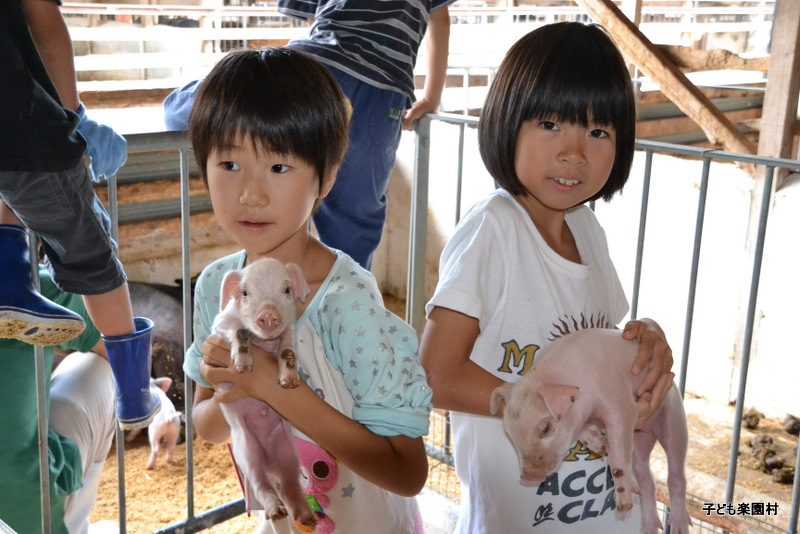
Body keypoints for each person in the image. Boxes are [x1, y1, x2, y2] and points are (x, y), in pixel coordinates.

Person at [418, 22, 676, 533]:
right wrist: (553, 412)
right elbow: (435, 376)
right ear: (506, 123)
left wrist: (647, 338)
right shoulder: (494, 229)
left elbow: (605, 345)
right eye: (551, 124)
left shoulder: (587, 229)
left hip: (603, 515)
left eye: (598, 132)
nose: (574, 152)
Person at [184, 48, 432, 533]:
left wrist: (268, 381)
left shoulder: (347, 302)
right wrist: (234, 388)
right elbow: (207, 425)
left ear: (327, 177)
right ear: (203, 167)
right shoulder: (219, 284)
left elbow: (407, 471)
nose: (250, 194)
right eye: (230, 163)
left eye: (278, 168)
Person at [163, 0, 456, 269]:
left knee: (205, 103)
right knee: (353, 219)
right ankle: (344, 305)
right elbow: (439, 18)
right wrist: (431, 97)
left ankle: (183, 105)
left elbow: (312, 21)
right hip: (380, 90)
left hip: (319, 65)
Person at [0, 0, 159, 429]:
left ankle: (9, 281)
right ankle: (134, 393)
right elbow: (47, 28)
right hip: (18, 118)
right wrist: (74, 122)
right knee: (89, 252)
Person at [0, 267, 117, 534]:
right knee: (102, 363)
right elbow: (115, 346)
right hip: (26, 511)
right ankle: (73, 525)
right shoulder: (34, 283)